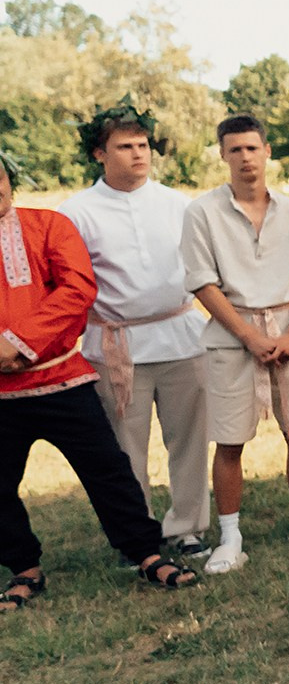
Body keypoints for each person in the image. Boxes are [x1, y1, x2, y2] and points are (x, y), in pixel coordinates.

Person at [1, 149, 199, 610]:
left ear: (11, 179)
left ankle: (146, 553)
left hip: (61, 379)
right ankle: (23, 569)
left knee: (109, 470)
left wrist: (20, 343)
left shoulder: (48, 225)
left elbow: (77, 289)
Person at [181, 114, 289, 573]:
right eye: (235, 150)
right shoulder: (203, 213)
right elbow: (202, 282)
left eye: (252, 148)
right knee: (229, 440)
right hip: (232, 339)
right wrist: (250, 336)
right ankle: (230, 539)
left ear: (267, 151)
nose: (245, 158)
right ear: (222, 155)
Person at [59, 100, 212, 562]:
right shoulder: (75, 212)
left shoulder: (177, 204)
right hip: (116, 345)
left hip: (182, 336)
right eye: (124, 146)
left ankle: (187, 528)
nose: (138, 154)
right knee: (126, 450)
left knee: (189, 438)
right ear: (99, 154)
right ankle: (138, 535)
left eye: (143, 145)